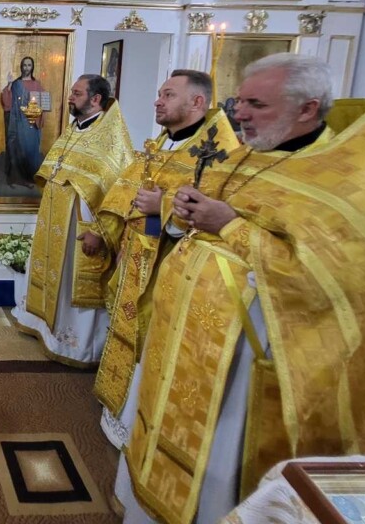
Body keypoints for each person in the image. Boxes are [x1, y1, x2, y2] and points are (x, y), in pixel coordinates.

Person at [116, 54, 365, 524]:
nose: (238, 113)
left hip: (253, 355)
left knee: (221, 456)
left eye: (256, 104)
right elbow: (202, 219)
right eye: (240, 101)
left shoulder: (349, 179)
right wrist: (184, 210)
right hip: (189, 337)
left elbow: (332, 278)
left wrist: (229, 224)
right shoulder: (248, 154)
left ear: (307, 108)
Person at [92, 70, 238, 450]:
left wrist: (163, 206)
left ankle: (140, 430)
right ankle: (118, 414)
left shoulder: (218, 151)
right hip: (136, 258)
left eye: (169, 94)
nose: (157, 101)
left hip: (169, 269)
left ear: (197, 102)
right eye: (159, 93)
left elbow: (222, 218)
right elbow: (128, 192)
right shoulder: (162, 143)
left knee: (152, 342)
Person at [13, 75, 134, 366]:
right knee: (55, 276)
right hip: (55, 222)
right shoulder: (75, 129)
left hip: (81, 228)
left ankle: (77, 347)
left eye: (76, 93)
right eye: (71, 92)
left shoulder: (111, 138)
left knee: (73, 284)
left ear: (96, 99)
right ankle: (46, 329)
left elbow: (120, 193)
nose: (70, 97)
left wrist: (99, 232)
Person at [1, 56, 46, 187]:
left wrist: (39, 112)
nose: (27, 68)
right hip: (18, 122)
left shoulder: (37, 84)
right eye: (25, 65)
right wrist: (9, 84)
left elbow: (43, 103)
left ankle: (30, 178)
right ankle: (18, 179)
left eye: (29, 65)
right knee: (18, 149)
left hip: (31, 123)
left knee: (30, 150)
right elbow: (7, 102)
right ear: (21, 67)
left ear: (32, 67)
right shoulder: (16, 84)